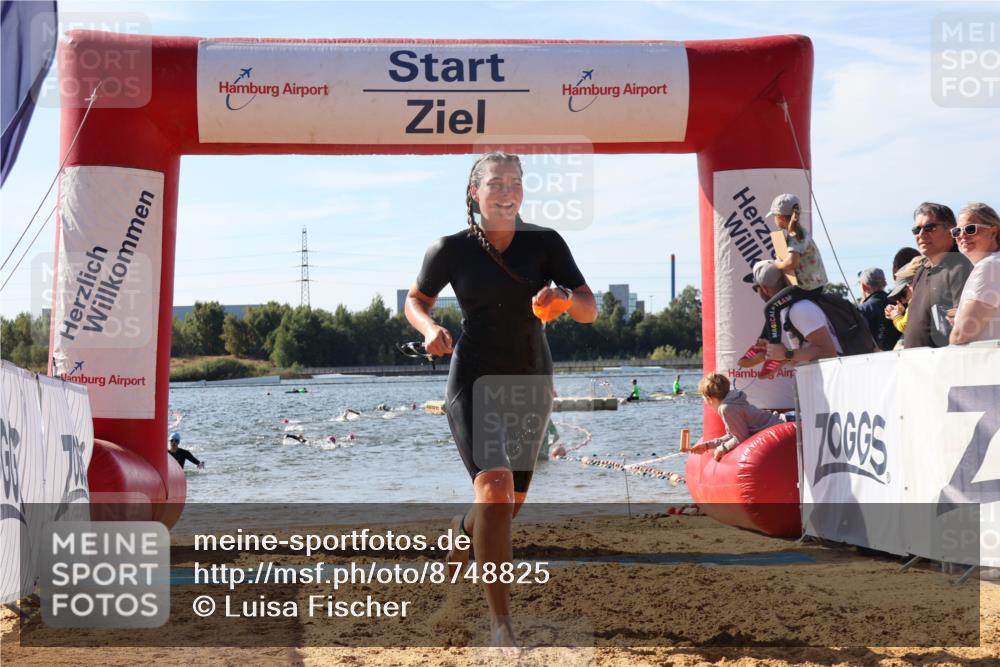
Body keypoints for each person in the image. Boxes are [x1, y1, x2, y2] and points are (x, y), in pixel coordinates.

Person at [404, 151, 597, 651]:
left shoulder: (545, 244)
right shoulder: (449, 248)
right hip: (474, 378)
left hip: (531, 378)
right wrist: (429, 330)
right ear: (475, 192)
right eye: (495, 183)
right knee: (493, 489)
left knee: (504, 509)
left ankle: (460, 530)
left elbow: (588, 308)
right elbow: (415, 300)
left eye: (515, 182)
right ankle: (502, 624)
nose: (507, 190)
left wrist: (563, 301)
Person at [900, 202, 973, 348]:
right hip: (916, 364)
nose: (921, 235)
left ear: (951, 230)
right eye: (916, 229)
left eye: (929, 227)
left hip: (945, 364)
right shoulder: (922, 270)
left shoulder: (960, 267)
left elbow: (968, 326)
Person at [760, 193, 829, 346]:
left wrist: (777, 264)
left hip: (805, 288)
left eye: (775, 216)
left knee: (770, 309)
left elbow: (792, 262)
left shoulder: (794, 235)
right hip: (814, 285)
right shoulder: (801, 232)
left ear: (781, 217)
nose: (774, 219)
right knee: (776, 303)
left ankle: (775, 347)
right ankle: (763, 340)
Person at [746, 260, 841, 366]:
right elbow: (803, 354)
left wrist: (787, 354)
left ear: (764, 289)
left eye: (756, 289)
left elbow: (828, 353)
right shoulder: (786, 310)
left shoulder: (798, 309)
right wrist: (780, 356)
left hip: (835, 377)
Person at [691, 373, 781, 461]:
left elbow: (741, 438)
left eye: (704, 399)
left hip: (783, 423)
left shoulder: (726, 408)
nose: (705, 403)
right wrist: (708, 445)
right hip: (783, 421)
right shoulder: (731, 402)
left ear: (711, 398)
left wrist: (722, 448)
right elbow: (734, 435)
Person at [949, 203, 1000, 344]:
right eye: (956, 232)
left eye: (970, 229)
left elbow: (961, 335)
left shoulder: (990, 266)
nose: (962, 235)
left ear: (993, 231)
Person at [857, 267, 897, 350]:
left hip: (877, 358)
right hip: (904, 352)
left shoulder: (864, 309)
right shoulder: (897, 302)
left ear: (864, 287)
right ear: (885, 283)